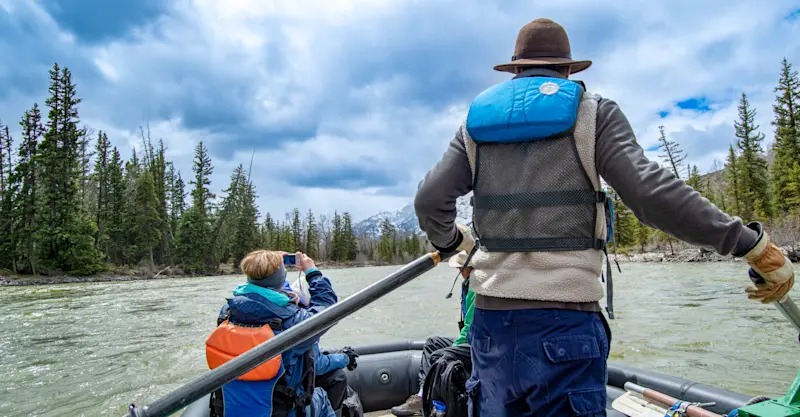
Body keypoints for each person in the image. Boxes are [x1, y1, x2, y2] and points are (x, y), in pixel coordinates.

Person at [413, 17, 795, 416]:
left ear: (516, 71)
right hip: (564, 325)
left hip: (490, 325)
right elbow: (651, 195)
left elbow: (428, 201)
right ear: (567, 69)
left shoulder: (475, 126)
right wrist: (750, 244)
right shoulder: (593, 114)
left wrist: (451, 243)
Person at [205, 250, 339, 417]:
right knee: (322, 397)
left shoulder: (227, 313)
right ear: (282, 278)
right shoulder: (293, 322)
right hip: (281, 413)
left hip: (231, 411)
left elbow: (258, 298)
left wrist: (266, 261)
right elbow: (328, 308)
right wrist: (312, 272)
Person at [390, 251, 475, 417]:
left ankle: (428, 398)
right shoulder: (468, 284)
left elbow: (471, 327)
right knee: (433, 342)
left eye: (461, 267)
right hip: (471, 340)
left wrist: (456, 347)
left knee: (440, 354)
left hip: (476, 344)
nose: (459, 271)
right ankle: (423, 395)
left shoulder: (475, 287)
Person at [282, 280, 359, 416]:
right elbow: (318, 364)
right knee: (337, 378)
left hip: (275, 390)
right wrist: (345, 358)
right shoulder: (300, 322)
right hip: (289, 395)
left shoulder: (277, 316)